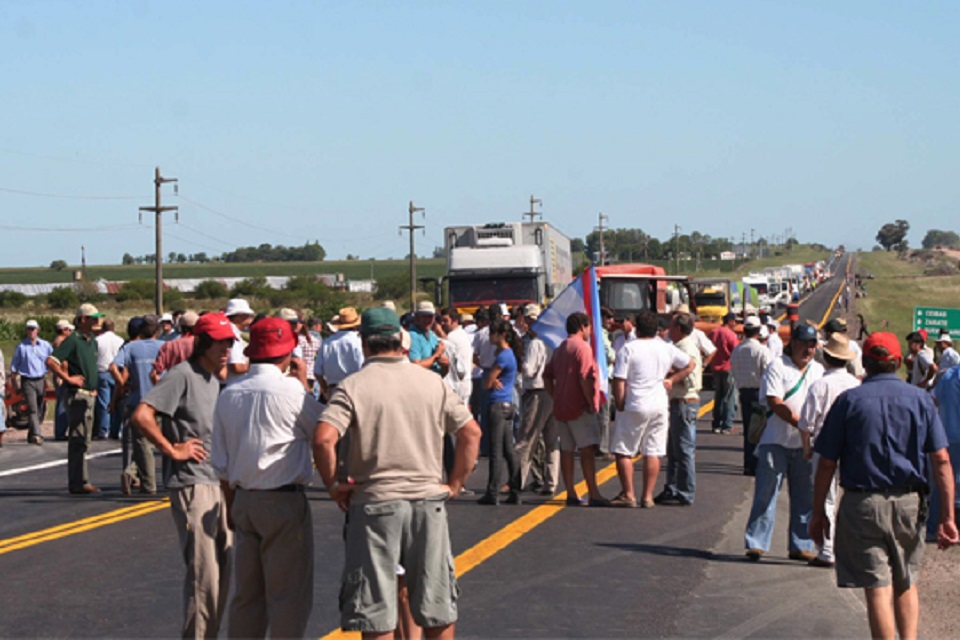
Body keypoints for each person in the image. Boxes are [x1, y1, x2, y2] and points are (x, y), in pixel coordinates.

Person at [313, 307, 481, 637]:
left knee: (376, 611)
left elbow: (323, 439)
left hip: (374, 503)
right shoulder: (431, 383)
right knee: (436, 607)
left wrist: (333, 485)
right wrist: (455, 484)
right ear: (400, 340)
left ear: (364, 343)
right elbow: (471, 433)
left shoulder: (353, 386)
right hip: (426, 501)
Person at [811, 332, 959, 640]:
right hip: (909, 502)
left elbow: (826, 463)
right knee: (906, 578)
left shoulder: (849, 401)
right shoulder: (919, 400)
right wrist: (947, 517)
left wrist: (817, 513)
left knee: (877, 584)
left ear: (864, 363)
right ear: (897, 364)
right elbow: (941, 460)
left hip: (862, 503)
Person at [211, 316, 323, 638]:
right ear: (288, 353)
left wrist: (232, 508)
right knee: (287, 595)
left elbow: (221, 464)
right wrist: (304, 385)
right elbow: (324, 432)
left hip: (244, 498)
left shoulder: (230, 394)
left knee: (248, 595)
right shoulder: (292, 392)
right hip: (283, 499)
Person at [131, 313, 236, 638]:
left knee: (224, 572)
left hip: (218, 482)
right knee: (204, 578)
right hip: (193, 483)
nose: (227, 348)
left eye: (230, 341)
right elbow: (142, 415)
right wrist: (172, 449)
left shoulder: (214, 378)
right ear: (202, 343)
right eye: (220, 341)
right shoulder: (183, 375)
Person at [744, 323, 824, 561]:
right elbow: (774, 401)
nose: (808, 350)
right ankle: (756, 543)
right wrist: (800, 423)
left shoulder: (818, 370)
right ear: (793, 344)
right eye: (803, 345)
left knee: (805, 497)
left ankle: (801, 545)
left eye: (812, 345)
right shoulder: (777, 366)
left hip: (806, 445)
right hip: (775, 441)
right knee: (766, 493)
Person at [609, 310, 694, 508]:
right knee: (653, 451)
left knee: (624, 451)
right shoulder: (665, 348)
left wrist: (619, 403)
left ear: (637, 328)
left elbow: (619, 379)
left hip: (636, 402)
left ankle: (628, 493)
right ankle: (647, 496)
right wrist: (671, 379)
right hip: (659, 403)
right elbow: (690, 364)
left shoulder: (629, 349)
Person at [797, 333, 860, 568]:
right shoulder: (855, 384)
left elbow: (806, 423)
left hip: (824, 446)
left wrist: (806, 448)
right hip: (852, 448)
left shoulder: (820, 385)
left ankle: (827, 549)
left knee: (826, 498)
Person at [543, 312, 609, 507]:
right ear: (582, 327)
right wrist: (591, 402)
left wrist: (556, 395)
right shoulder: (583, 348)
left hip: (562, 406)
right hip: (579, 408)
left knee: (567, 450)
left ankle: (570, 491)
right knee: (587, 450)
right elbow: (584, 377)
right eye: (588, 327)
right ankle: (593, 492)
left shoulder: (561, 347)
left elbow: (547, 376)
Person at [47, 304, 104, 494]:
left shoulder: (91, 340)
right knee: (78, 439)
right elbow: (52, 361)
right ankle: (78, 481)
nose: (96, 321)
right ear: (82, 320)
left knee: (84, 439)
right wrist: (68, 378)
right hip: (78, 394)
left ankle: (81, 479)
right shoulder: (73, 340)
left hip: (89, 394)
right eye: (92, 318)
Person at [112, 315, 165, 495]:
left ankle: (142, 479)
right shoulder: (164, 347)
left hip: (137, 400)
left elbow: (113, 366)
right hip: (159, 401)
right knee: (156, 442)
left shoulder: (130, 347)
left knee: (141, 443)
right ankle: (144, 480)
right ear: (157, 330)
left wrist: (122, 384)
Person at [656, 312, 703, 506]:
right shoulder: (678, 346)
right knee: (674, 450)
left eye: (672, 326)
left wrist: (671, 375)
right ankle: (673, 487)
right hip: (678, 402)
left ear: (679, 329)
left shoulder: (686, 348)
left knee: (683, 450)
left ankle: (685, 491)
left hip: (685, 401)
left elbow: (690, 374)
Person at [478, 318, 523, 505]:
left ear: (501, 335)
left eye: (493, 333)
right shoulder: (509, 354)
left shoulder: (503, 356)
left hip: (497, 405)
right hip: (507, 404)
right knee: (508, 450)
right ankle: (515, 489)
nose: (490, 337)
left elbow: (487, 382)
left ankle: (493, 492)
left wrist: (489, 380)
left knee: (496, 451)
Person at [515, 304, 559, 495]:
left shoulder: (535, 343)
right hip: (553, 391)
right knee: (552, 441)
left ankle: (518, 480)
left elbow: (529, 370)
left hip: (537, 391)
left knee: (527, 438)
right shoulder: (553, 341)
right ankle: (552, 480)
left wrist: (521, 362)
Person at [730, 316, 773, 476]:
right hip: (759, 392)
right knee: (761, 429)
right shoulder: (762, 350)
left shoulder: (738, 350)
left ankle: (748, 463)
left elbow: (734, 370)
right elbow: (769, 372)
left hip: (744, 391)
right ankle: (758, 463)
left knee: (748, 428)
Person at [10, 319, 53, 446]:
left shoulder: (45, 345)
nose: (31, 331)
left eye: (33, 329)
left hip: (41, 379)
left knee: (40, 408)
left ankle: (32, 432)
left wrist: (54, 376)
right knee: (33, 408)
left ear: (37, 330)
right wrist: (14, 382)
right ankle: (37, 434)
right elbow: (14, 367)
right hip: (27, 380)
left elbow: (54, 360)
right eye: (29, 328)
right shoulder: (21, 347)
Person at [314, 306, 364, 402]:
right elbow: (361, 367)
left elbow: (317, 371)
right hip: (354, 388)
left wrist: (325, 390)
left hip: (333, 389)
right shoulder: (358, 341)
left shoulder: (327, 343)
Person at [708, 312, 739, 435]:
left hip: (715, 368)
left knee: (719, 397)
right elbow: (736, 351)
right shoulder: (730, 334)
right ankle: (727, 425)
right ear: (730, 321)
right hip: (728, 367)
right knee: (729, 397)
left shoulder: (713, 332)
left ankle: (716, 424)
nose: (735, 324)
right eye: (734, 321)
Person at [94, 319, 125, 440]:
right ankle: (116, 429)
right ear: (113, 328)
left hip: (102, 371)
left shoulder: (98, 340)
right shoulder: (120, 340)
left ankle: (103, 430)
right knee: (117, 401)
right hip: (117, 372)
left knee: (104, 403)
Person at [151, 311, 201, 383]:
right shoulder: (204, 344)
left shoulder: (169, 345)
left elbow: (155, 373)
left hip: (175, 386)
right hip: (198, 385)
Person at [408, 301, 449, 376]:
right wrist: (436, 355)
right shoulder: (412, 336)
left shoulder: (432, 335)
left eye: (430, 316)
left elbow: (441, 373)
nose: (428, 320)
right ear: (417, 317)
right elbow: (415, 367)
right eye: (424, 316)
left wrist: (445, 365)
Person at [51, 319, 74, 441]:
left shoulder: (58, 341)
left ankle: (61, 431)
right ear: (63, 330)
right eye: (68, 330)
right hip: (62, 375)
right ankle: (60, 432)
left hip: (61, 375)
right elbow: (60, 361)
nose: (70, 332)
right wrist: (61, 375)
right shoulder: (60, 342)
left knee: (63, 402)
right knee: (63, 403)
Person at [224, 298, 255, 382]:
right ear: (239, 317)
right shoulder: (233, 333)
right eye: (248, 316)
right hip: (230, 384)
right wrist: (256, 363)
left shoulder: (228, 330)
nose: (250, 320)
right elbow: (236, 367)